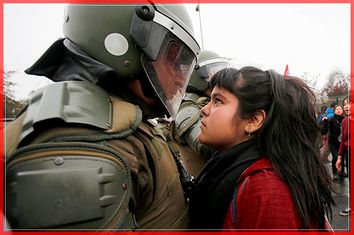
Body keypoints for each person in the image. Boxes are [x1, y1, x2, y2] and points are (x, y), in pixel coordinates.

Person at [5, 3, 200, 230]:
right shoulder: (82, 137)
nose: (178, 77)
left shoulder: (124, 118)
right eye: (172, 60)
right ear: (123, 44)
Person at [189, 67, 334, 230]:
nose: (204, 109)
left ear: (254, 120)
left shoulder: (266, 189)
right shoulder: (235, 168)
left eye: (218, 101)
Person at [171, 50, 230, 177]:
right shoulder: (186, 109)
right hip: (209, 190)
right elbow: (207, 146)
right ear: (196, 75)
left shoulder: (209, 102)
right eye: (212, 73)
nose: (219, 80)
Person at [335, 96, 350, 216]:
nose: (346, 106)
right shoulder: (345, 122)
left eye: (349, 103)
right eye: (344, 104)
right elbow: (344, 141)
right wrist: (340, 157)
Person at [325, 105, 344, 180]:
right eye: (337, 109)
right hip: (332, 142)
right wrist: (325, 119)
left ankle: (341, 171)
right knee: (336, 157)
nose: (339, 110)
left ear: (342, 111)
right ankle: (335, 172)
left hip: (341, 142)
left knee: (341, 157)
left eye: (340, 109)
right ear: (334, 111)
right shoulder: (332, 119)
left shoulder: (344, 119)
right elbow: (328, 120)